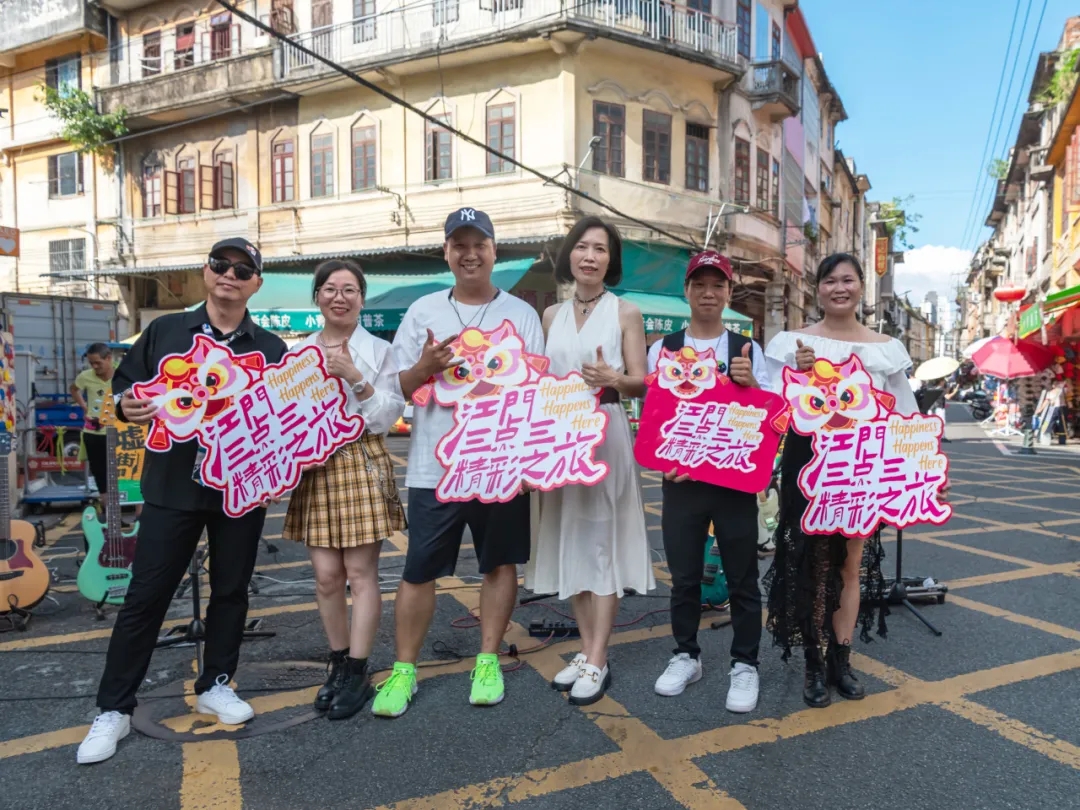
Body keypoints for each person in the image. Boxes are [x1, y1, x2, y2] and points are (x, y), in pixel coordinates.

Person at [77, 238, 287, 764]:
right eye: (221, 264)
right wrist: (125, 405)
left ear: (256, 284)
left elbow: (285, 421)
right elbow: (122, 392)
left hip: (241, 491)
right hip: (171, 487)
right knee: (146, 596)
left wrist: (282, 468)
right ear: (206, 272)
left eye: (243, 270)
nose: (230, 275)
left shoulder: (271, 349)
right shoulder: (166, 331)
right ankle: (114, 708)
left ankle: (216, 683)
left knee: (231, 591)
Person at [371, 207, 544, 718]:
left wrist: (530, 463)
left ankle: (487, 660)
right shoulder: (423, 311)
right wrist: (424, 368)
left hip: (500, 467)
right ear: (446, 252)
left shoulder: (522, 314)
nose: (470, 254)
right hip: (434, 468)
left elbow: (535, 394)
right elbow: (395, 391)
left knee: (499, 563)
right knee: (419, 569)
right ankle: (404, 670)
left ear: (494, 251)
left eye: (479, 244)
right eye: (459, 245)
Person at [764, 252, 918, 709]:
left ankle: (841, 660)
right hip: (808, 466)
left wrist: (923, 473)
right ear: (818, 290)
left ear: (860, 288)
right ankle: (814, 663)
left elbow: (906, 417)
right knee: (812, 565)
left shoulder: (885, 348)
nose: (839, 288)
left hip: (862, 468)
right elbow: (771, 411)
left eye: (847, 280)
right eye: (830, 281)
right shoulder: (791, 344)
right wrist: (798, 375)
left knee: (851, 565)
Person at [526, 216, 653, 705]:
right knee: (571, 543)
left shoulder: (626, 312)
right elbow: (539, 383)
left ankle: (599, 658)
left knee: (600, 544)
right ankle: (585, 650)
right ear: (569, 255)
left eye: (600, 249)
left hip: (604, 431)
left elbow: (642, 381)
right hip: (559, 438)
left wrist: (613, 379)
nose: (590, 256)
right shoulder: (550, 316)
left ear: (610, 260)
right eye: (582, 247)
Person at [645, 251, 771, 712]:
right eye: (699, 284)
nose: (708, 292)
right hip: (681, 480)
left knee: (742, 576)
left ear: (729, 292)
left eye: (717, 284)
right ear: (687, 290)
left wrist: (752, 384)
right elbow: (654, 416)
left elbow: (768, 416)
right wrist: (663, 460)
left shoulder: (748, 349)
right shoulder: (663, 349)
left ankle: (745, 664)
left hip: (733, 479)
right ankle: (686, 655)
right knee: (684, 577)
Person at [283, 259, 406, 719]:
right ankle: (336, 664)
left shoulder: (379, 350)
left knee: (360, 573)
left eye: (350, 289)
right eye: (331, 288)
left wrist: (355, 377)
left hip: (360, 458)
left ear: (361, 298)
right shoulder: (297, 355)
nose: (340, 297)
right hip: (314, 466)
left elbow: (388, 416)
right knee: (326, 577)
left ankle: (357, 669)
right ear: (317, 296)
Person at [72, 343, 114, 498]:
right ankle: (107, 509)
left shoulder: (122, 375)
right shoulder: (85, 376)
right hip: (93, 432)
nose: (95, 366)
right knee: (100, 475)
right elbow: (74, 389)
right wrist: (84, 406)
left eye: (98, 363)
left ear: (108, 358)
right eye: (91, 363)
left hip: (118, 431)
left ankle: (126, 509)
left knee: (123, 473)